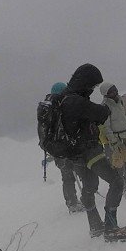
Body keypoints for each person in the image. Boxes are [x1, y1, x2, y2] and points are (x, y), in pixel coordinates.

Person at [59, 63, 126, 240]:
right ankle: (111, 228)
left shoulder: (65, 99)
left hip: (75, 155)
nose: (93, 89)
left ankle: (95, 225)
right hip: (89, 151)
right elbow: (102, 113)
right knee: (116, 181)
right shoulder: (76, 101)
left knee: (89, 187)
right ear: (86, 83)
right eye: (93, 85)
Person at [42, 81, 84, 213]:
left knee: (67, 176)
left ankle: (72, 202)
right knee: (71, 174)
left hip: (56, 149)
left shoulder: (47, 109)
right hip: (65, 147)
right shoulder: (58, 107)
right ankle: (74, 202)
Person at [100, 82, 126, 186]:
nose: (115, 92)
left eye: (115, 89)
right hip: (115, 137)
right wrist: (112, 139)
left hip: (125, 134)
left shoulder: (121, 101)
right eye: (111, 91)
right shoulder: (105, 106)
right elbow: (106, 125)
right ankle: (120, 180)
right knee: (117, 160)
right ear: (106, 94)